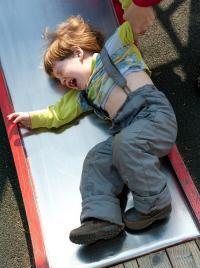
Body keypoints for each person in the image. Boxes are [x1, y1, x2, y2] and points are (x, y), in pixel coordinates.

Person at [7, 13, 177, 245]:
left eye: (61, 72)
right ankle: (102, 218)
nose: (62, 83)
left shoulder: (115, 50)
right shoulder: (84, 96)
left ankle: (155, 204)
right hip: (127, 134)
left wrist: (137, 7)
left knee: (124, 143)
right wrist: (32, 118)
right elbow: (57, 113)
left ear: (78, 53)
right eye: (58, 81)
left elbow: (132, 25)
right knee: (96, 159)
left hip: (153, 116)